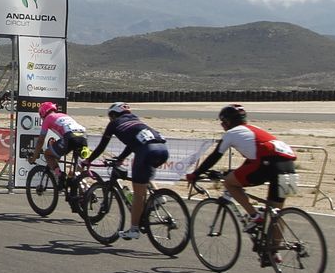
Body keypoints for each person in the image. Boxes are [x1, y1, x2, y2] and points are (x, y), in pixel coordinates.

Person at [184, 104, 298, 236]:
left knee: (229, 183)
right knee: (276, 213)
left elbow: (215, 156)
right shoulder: (255, 129)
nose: (222, 125)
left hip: (267, 163)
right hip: (289, 166)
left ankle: (254, 215)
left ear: (227, 121)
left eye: (222, 122)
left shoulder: (231, 133)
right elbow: (254, 157)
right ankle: (274, 253)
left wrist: (195, 173)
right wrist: (234, 171)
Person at [84, 102, 170, 242]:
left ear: (113, 115)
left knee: (138, 195)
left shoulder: (114, 123)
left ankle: (134, 229)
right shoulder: (136, 120)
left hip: (146, 151)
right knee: (144, 176)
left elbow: (101, 147)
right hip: (162, 149)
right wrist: (121, 158)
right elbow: (132, 144)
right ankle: (157, 195)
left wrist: (88, 160)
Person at [33, 101, 88, 176]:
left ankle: (60, 175)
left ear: (42, 113)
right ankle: (78, 179)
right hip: (83, 136)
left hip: (70, 137)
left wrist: (34, 158)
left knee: (48, 154)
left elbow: (40, 141)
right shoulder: (63, 115)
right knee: (76, 170)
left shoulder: (47, 119)